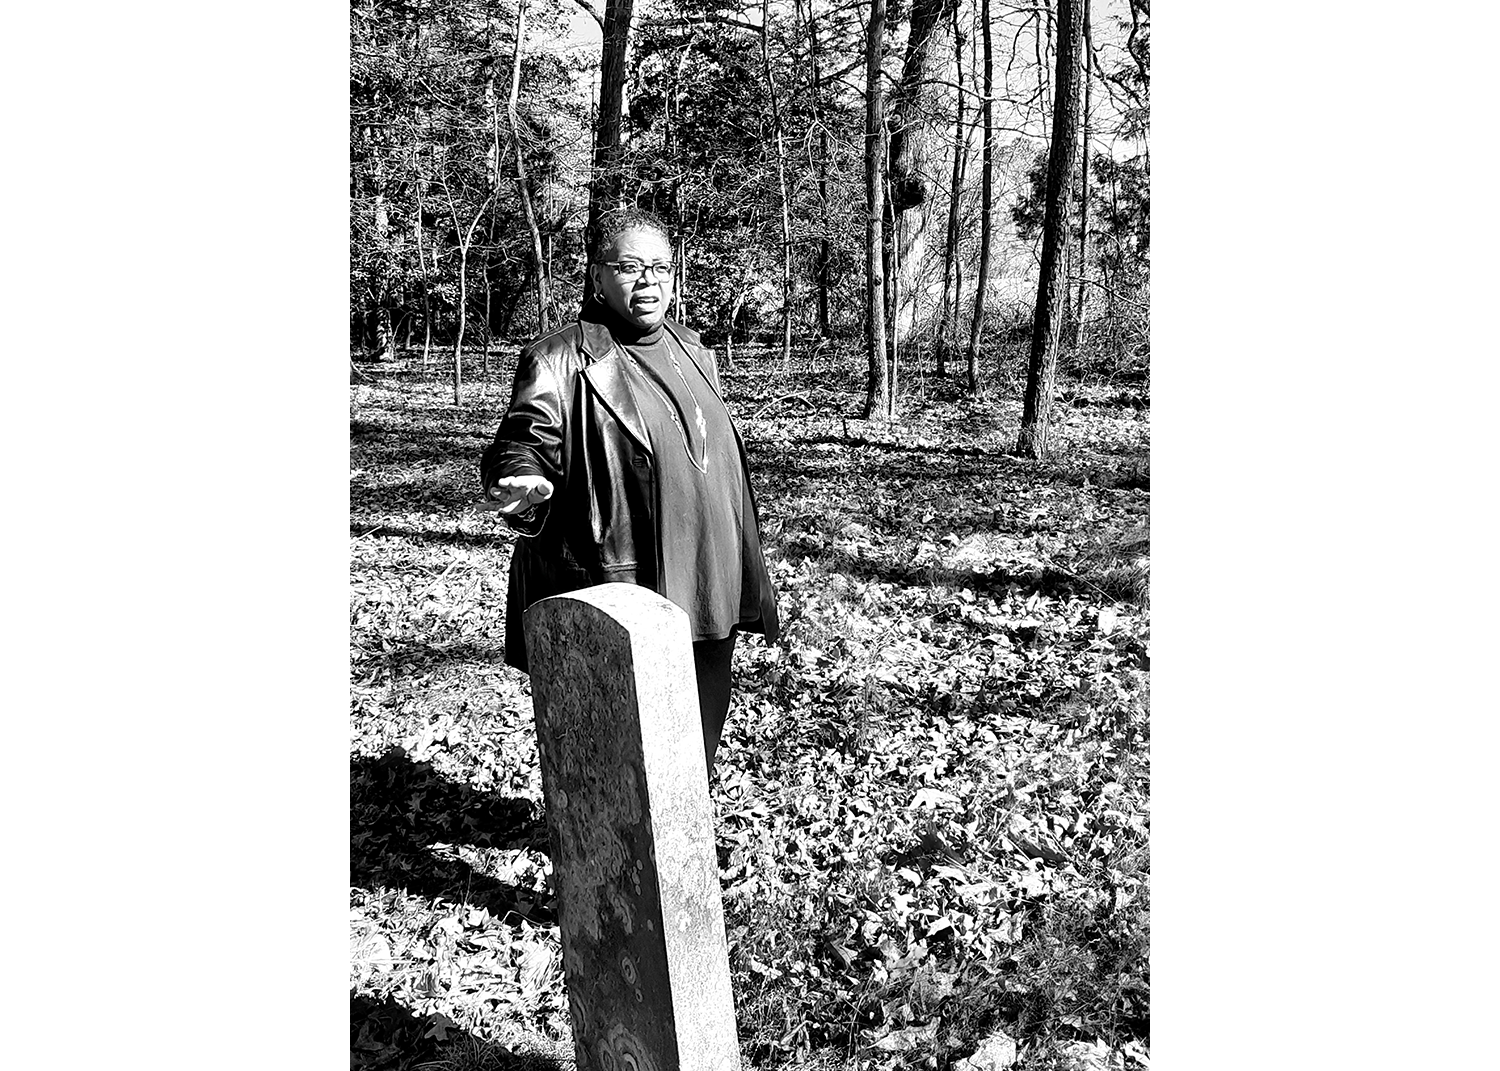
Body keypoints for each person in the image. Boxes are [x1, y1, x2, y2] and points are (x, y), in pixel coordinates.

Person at [480, 209, 779, 773]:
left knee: (698, 733)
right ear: (597, 277)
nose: (649, 281)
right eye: (630, 267)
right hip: (630, 578)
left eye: (661, 268)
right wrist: (520, 477)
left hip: (711, 574)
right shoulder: (562, 356)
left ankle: (685, 828)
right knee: (626, 740)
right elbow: (523, 439)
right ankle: (620, 846)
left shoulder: (693, 349)